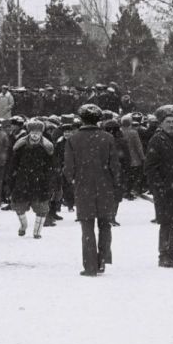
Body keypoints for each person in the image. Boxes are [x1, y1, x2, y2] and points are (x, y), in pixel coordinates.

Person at [63, 104, 121, 277]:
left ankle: (90, 265)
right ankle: (102, 259)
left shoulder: (73, 139)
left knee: (87, 227)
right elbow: (115, 165)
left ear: (81, 119)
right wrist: (114, 182)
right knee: (105, 225)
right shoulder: (108, 138)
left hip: (83, 187)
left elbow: (68, 167)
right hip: (105, 186)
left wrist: (73, 180)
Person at [144, 105, 173, 268]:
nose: (171, 125)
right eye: (168, 122)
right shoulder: (156, 140)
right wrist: (159, 185)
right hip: (165, 187)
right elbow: (150, 167)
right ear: (161, 124)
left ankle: (171, 253)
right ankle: (163, 255)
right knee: (166, 221)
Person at [7, 119, 55, 239]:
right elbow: (13, 163)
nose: (35, 135)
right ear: (29, 132)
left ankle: (37, 232)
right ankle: (23, 225)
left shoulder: (47, 147)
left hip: (41, 181)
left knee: (41, 207)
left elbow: (51, 165)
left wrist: (50, 180)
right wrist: (11, 177)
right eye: (33, 132)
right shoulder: (20, 145)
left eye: (37, 133)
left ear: (41, 133)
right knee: (19, 206)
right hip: (22, 180)